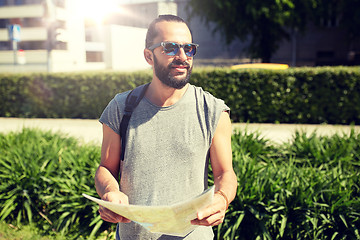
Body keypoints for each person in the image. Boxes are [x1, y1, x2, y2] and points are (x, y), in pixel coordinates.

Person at [95, 14, 238, 239]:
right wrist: (111, 193)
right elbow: (105, 168)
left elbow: (225, 173)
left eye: (188, 48)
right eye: (170, 48)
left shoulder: (213, 110)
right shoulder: (120, 108)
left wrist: (222, 199)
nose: (182, 56)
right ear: (148, 56)